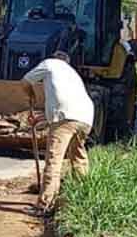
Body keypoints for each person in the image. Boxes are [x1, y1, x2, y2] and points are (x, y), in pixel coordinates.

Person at [23, 51, 95, 213]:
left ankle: (44, 205)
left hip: (66, 119)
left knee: (54, 160)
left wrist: (31, 96)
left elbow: (25, 81)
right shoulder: (72, 74)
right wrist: (41, 118)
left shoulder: (49, 63)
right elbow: (65, 105)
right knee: (78, 157)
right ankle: (81, 198)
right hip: (85, 118)